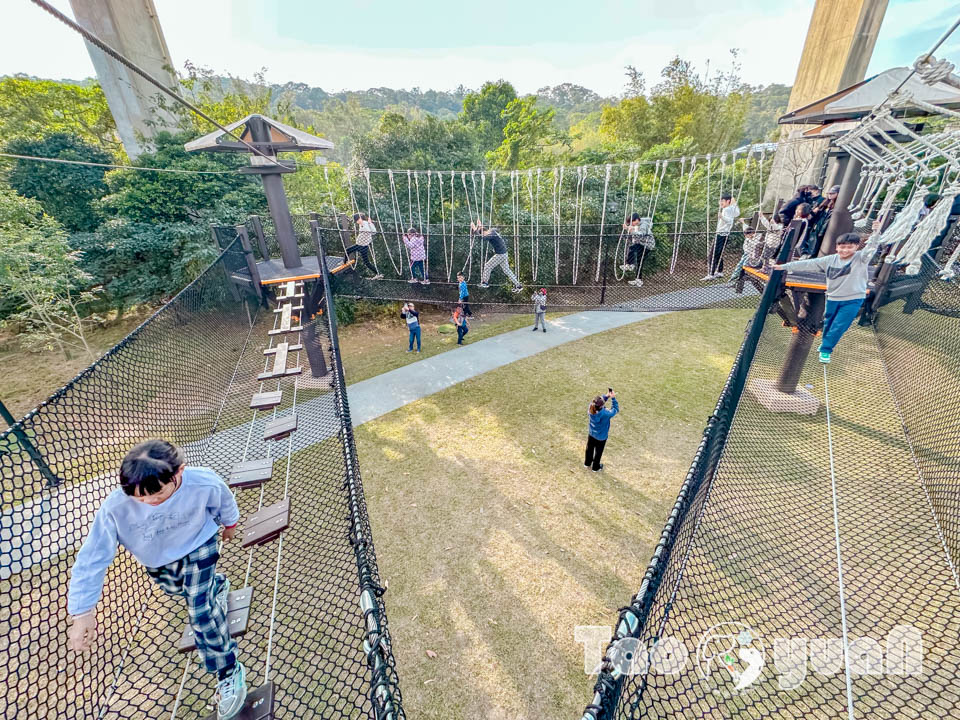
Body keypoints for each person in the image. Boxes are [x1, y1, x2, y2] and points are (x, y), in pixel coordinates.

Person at [67, 439, 247, 720]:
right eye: (139, 498)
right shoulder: (115, 508)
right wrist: (82, 612)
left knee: (200, 613)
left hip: (201, 544)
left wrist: (230, 524)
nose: (149, 502)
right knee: (182, 591)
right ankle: (216, 586)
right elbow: (92, 558)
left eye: (157, 493)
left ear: (179, 473)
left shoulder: (202, 481)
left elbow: (223, 498)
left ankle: (228, 671)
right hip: (160, 561)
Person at [775, 231, 889, 363]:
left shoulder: (860, 258)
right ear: (837, 247)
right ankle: (825, 344)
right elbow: (808, 264)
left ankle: (826, 350)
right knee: (829, 322)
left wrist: (875, 233)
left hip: (853, 299)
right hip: (833, 298)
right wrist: (783, 267)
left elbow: (871, 249)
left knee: (840, 324)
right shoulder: (829, 260)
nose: (845, 250)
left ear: (857, 247)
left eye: (849, 247)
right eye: (842, 247)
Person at [471, 221, 522, 293]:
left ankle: (485, 282)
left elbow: (482, 238)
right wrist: (480, 226)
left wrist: (474, 229)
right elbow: (485, 233)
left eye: (482, 234)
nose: (483, 235)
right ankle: (518, 285)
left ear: (484, 233)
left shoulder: (490, 234)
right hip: (504, 254)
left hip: (500, 255)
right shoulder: (492, 231)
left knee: (487, 266)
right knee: (507, 270)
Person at [705, 192, 740, 280]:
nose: (720, 203)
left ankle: (711, 274)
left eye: (723, 201)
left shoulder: (727, 209)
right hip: (725, 234)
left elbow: (730, 221)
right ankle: (720, 272)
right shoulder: (731, 208)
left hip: (721, 234)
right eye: (720, 201)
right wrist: (734, 203)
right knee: (719, 253)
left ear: (728, 201)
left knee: (712, 254)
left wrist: (722, 217)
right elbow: (737, 213)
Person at [585, 390, 619, 472]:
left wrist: (606, 396)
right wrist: (613, 398)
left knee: (589, 449)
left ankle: (587, 463)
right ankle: (595, 467)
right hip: (601, 437)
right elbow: (615, 409)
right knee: (598, 452)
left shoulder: (591, 407)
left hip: (592, 433)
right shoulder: (605, 413)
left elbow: (598, 403)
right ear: (602, 406)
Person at [621, 214, 655, 287]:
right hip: (642, 243)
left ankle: (630, 265)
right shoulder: (637, 224)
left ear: (636, 220)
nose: (632, 224)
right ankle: (638, 279)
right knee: (639, 260)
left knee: (634, 250)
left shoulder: (644, 225)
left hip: (647, 244)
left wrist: (630, 229)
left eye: (632, 222)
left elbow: (640, 234)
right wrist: (629, 228)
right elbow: (636, 235)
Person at [346, 213, 383, 279]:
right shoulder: (362, 223)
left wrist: (370, 223)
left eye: (357, 220)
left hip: (362, 246)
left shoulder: (365, 224)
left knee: (348, 251)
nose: (357, 222)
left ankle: (378, 274)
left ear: (359, 219)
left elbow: (373, 232)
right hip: (361, 245)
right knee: (348, 251)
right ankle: (377, 273)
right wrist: (368, 223)